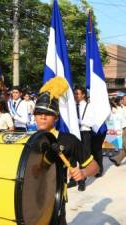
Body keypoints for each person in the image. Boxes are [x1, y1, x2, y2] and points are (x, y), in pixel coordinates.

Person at [34, 77, 99, 225]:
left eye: (48, 113)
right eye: (38, 112)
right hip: (30, 199)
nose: (42, 116)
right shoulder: (28, 139)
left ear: (56, 117)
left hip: (55, 200)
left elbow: (94, 166)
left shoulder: (68, 140)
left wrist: (83, 173)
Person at [72, 86, 94, 191]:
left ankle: (82, 181)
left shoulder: (88, 106)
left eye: (78, 93)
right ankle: (73, 178)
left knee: (83, 158)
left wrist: (79, 121)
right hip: (73, 134)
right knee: (71, 156)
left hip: (84, 133)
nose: (75, 95)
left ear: (83, 94)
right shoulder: (72, 106)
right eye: (75, 93)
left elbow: (91, 122)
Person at [109, 95, 126, 166]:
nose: (124, 100)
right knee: (124, 145)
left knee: (125, 145)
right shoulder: (119, 108)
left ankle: (117, 159)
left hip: (124, 127)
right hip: (123, 128)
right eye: (124, 99)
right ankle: (117, 159)